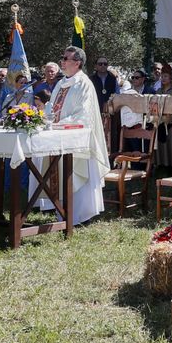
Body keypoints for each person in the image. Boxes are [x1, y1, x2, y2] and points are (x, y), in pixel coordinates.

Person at [41, 45, 108, 225]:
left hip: (78, 139)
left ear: (77, 63)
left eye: (65, 58)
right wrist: (46, 117)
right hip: (59, 136)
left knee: (77, 173)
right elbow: (52, 107)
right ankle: (62, 210)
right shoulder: (62, 83)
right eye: (62, 57)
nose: (62, 61)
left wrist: (58, 123)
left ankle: (81, 214)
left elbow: (83, 115)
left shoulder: (84, 83)